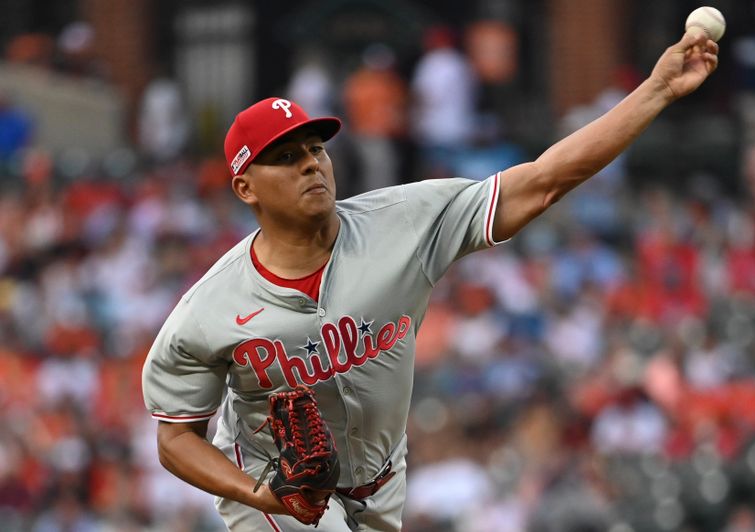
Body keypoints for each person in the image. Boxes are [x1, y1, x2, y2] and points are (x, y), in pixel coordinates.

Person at [141, 32, 719, 531]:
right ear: (245, 188)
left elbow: (543, 180)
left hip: (382, 477)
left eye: (316, 148)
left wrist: (658, 90)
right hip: (273, 485)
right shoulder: (211, 307)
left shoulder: (405, 222)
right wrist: (255, 494)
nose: (312, 163)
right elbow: (175, 437)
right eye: (287, 157)